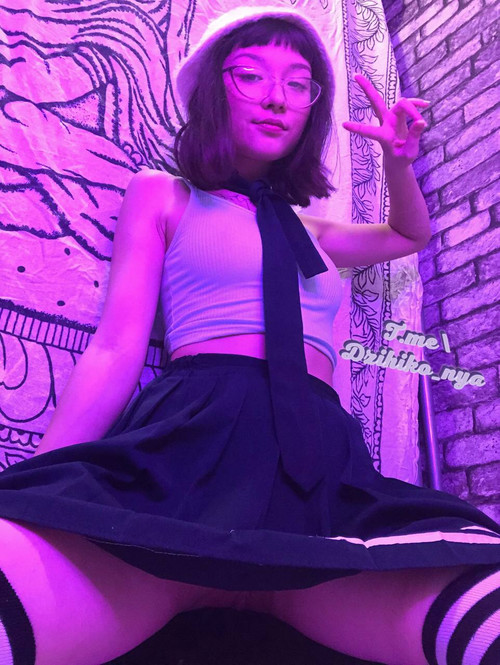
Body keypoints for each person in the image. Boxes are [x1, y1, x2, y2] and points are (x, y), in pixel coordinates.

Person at [0, 6, 499, 665]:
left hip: (319, 467)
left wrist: (397, 161)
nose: (277, 98)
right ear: (215, 89)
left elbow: (410, 234)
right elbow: (117, 347)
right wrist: (35, 484)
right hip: (188, 448)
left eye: (298, 83)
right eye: (251, 75)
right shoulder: (165, 195)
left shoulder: (316, 233)